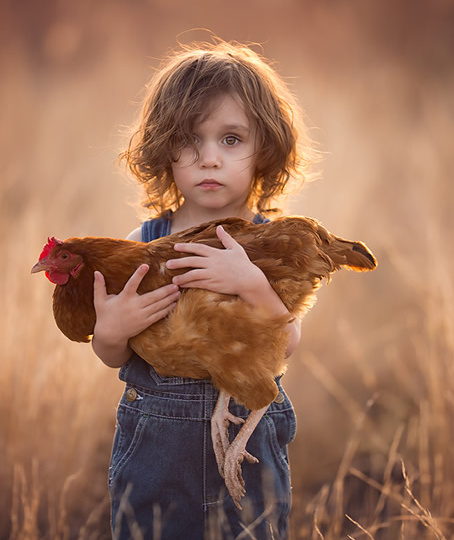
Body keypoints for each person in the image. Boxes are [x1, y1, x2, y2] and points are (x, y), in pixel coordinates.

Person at [91, 40, 315, 539]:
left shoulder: (268, 245)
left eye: (231, 140)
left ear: (265, 150)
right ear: (164, 150)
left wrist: (252, 285)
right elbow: (110, 354)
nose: (209, 158)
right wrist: (113, 330)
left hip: (247, 441)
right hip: (156, 449)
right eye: (190, 140)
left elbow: (288, 343)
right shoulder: (143, 245)